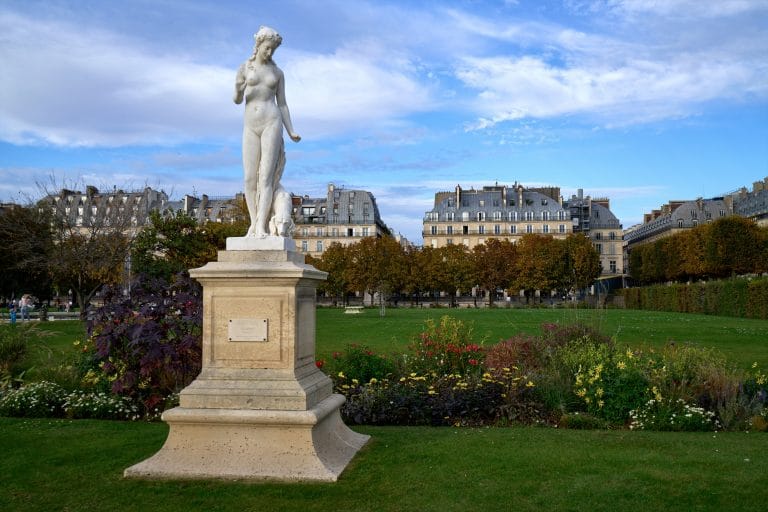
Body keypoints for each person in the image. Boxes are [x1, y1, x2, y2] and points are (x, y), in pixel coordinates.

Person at [234, 26, 300, 238]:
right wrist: (237, 88)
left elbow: (282, 104)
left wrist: (291, 131)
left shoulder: (277, 73)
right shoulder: (245, 67)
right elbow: (237, 100)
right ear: (259, 45)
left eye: (273, 49)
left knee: (266, 178)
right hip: (250, 124)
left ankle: (261, 226)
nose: (270, 53)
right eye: (267, 48)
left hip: (272, 121)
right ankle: (253, 224)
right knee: (249, 178)